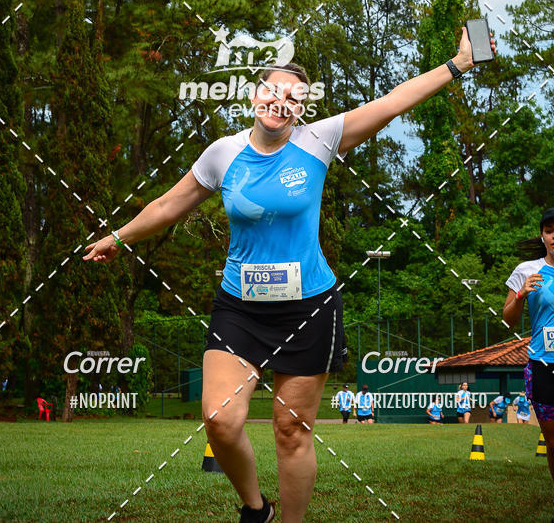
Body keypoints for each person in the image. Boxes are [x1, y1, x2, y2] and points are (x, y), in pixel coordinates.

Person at [84, 26, 494, 523]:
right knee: (219, 418)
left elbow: (392, 102)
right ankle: (257, 509)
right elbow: (170, 204)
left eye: (294, 98)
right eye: (273, 91)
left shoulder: (319, 140)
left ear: (302, 109)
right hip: (240, 308)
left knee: (290, 430)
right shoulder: (222, 153)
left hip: (308, 308)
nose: (281, 102)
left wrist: (458, 64)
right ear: (254, 95)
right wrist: (119, 236)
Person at [503, 207, 554, 489]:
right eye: (549, 231)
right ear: (543, 236)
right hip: (543, 365)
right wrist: (522, 294)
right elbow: (508, 320)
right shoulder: (526, 270)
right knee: (553, 442)